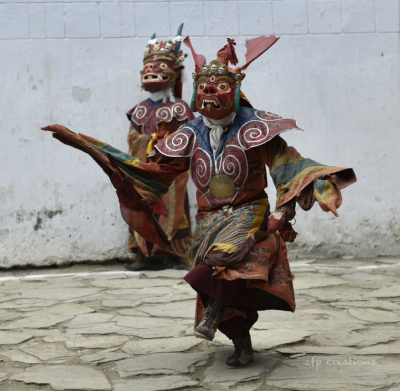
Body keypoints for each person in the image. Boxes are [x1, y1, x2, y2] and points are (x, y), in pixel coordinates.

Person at [42, 35, 356, 368]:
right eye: (204, 86)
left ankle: (214, 315)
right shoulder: (190, 132)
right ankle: (240, 340)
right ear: (195, 92)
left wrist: (292, 203)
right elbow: (157, 171)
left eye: (219, 86)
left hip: (247, 211)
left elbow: (290, 166)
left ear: (234, 91)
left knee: (221, 263)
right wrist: (95, 149)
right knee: (224, 282)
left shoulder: (255, 128)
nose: (209, 91)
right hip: (208, 219)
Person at [124, 24, 194, 271]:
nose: (152, 70)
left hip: (171, 173)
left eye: (161, 67)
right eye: (149, 66)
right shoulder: (140, 109)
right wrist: (148, 141)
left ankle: (178, 253)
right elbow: (133, 138)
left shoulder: (181, 109)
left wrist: (168, 143)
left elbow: (190, 137)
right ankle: (145, 254)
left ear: (174, 73)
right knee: (142, 207)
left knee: (175, 208)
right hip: (144, 171)